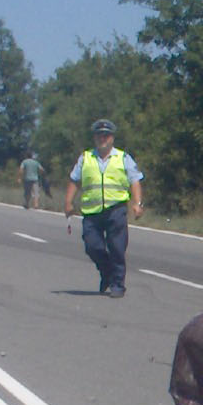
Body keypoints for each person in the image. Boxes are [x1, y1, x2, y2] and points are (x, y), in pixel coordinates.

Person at [63, 119, 144, 298]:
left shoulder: (123, 158)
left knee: (117, 247)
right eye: (99, 135)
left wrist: (137, 204)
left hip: (116, 209)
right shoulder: (86, 158)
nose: (103, 138)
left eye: (106, 135)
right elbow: (75, 181)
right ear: (95, 138)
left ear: (112, 138)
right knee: (93, 246)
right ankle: (106, 271)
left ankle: (117, 285)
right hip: (92, 212)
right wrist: (68, 202)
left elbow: (135, 181)